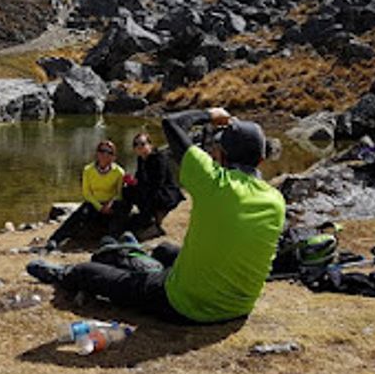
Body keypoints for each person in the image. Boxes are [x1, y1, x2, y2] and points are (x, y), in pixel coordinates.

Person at [29, 107, 285, 324]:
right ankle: (134, 256)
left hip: (188, 306)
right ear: (262, 159)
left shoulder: (214, 182)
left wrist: (210, 113)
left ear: (221, 154)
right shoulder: (276, 200)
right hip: (240, 307)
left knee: (91, 272)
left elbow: (172, 123)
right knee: (163, 250)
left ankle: (65, 274)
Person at [45, 140, 127, 252]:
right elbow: (87, 193)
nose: (105, 155)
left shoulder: (119, 172)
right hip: (94, 203)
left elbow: (119, 193)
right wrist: (99, 206)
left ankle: (111, 240)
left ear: (113, 157)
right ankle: (55, 239)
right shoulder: (88, 170)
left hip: (110, 204)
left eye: (109, 152)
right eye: (102, 151)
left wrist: (110, 204)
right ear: (97, 153)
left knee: (120, 211)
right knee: (79, 214)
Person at [121, 132, 184, 235]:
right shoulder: (141, 159)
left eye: (142, 143)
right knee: (127, 190)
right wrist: (132, 181)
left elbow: (158, 181)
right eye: (136, 144)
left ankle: (152, 219)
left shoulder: (159, 158)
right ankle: (125, 216)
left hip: (164, 192)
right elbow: (139, 177)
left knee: (146, 193)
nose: (139, 147)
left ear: (150, 145)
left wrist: (139, 183)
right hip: (149, 189)